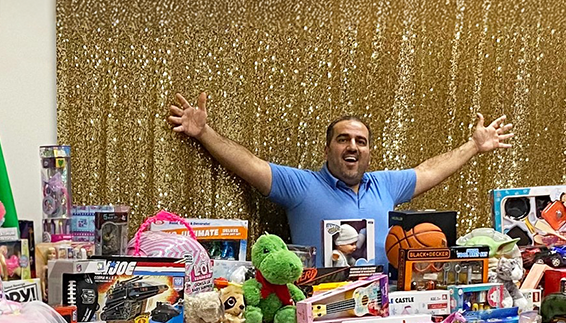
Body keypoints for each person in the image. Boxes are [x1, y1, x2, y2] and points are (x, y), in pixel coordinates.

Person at [168, 92, 513, 267]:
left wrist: (473, 145)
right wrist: (204, 133)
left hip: (382, 312)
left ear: (369, 151)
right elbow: (250, 164)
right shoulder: (302, 186)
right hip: (321, 311)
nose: (352, 147)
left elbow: (429, 170)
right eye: (343, 139)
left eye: (360, 141)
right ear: (328, 147)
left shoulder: (385, 185)